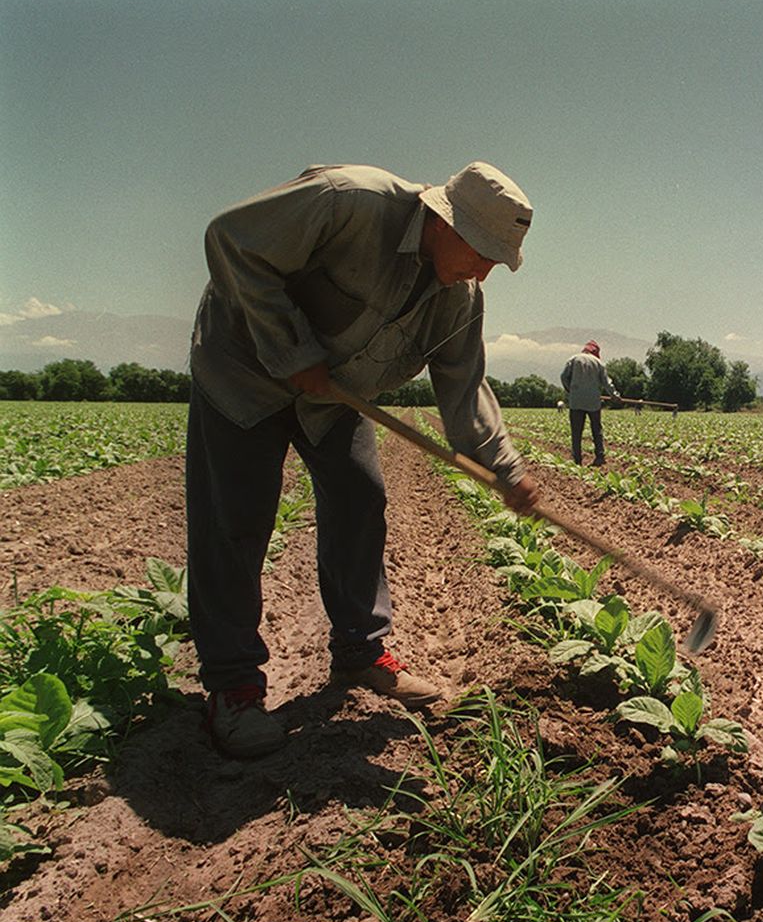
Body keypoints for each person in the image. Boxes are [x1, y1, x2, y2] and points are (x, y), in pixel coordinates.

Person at [187, 161, 540, 758]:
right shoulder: (348, 201)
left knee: (359, 499)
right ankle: (234, 687)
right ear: (441, 220)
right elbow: (231, 239)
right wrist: (291, 345)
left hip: (332, 398)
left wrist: (506, 470)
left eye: (496, 260)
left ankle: (360, 650)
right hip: (243, 375)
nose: (484, 269)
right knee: (236, 522)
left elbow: (463, 387)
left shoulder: (459, 296)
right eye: (480, 250)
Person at [560, 340, 619, 465]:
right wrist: (614, 395)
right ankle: (600, 456)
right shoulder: (598, 363)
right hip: (593, 401)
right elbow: (606, 382)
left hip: (576, 401)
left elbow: (563, 377)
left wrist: (571, 390)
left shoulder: (573, 359)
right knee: (596, 430)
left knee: (576, 432)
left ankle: (577, 460)